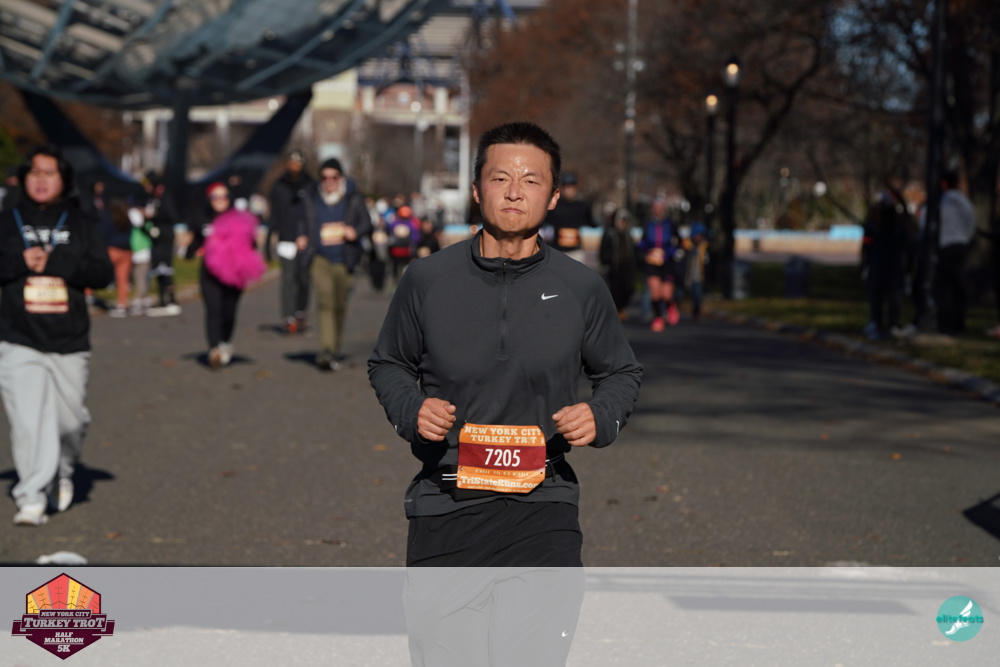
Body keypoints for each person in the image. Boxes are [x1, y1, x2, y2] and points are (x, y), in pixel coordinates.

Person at [369, 122, 641, 666]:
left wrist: (601, 415)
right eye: (500, 178)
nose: (515, 192)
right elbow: (389, 363)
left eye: (531, 180)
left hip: (544, 505)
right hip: (446, 503)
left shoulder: (581, 288)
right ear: (477, 189)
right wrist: (411, 409)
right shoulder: (426, 279)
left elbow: (621, 373)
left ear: (554, 196)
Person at [0, 145, 113, 526]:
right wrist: (19, 262)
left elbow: (102, 273)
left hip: (69, 338)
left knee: (70, 423)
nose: (41, 180)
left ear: (63, 179)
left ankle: (62, 470)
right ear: (23, 177)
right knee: (28, 421)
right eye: (35, 172)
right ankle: (31, 496)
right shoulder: (7, 220)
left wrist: (56, 262)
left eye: (49, 173)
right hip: (18, 336)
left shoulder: (82, 222)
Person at [297, 158, 370, 371]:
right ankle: (327, 349)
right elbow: (302, 221)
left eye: (333, 177)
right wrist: (301, 236)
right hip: (319, 257)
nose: (329, 181)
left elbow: (366, 223)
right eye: (324, 177)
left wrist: (354, 231)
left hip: (345, 259)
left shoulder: (353, 198)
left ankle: (334, 348)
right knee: (325, 300)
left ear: (341, 178)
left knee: (339, 305)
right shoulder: (311, 197)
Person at [195, 182, 267, 369]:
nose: (220, 200)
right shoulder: (202, 218)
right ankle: (214, 350)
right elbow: (193, 242)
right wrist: (196, 249)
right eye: (215, 196)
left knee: (229, 311)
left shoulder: (240, 218)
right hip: (209, 273)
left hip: (234, 273)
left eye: (224, 196)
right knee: (213, 310)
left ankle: (225, 341)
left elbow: (251, 244)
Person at [270, 149, 314, 333]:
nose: (295, 166)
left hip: (306, 240)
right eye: (292, 162)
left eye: (298, 163)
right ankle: (288, 317)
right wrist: (271, 238)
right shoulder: (279, 186)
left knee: (303, 279)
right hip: (286, 239)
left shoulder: (311, 186)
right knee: (288, 279)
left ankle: (300, 311)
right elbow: (274, 215)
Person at [860, 190, 910, 340]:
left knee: (890, 296)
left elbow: (906, 244)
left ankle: (889, 324)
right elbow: (867, 244)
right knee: (881, 295)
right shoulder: (876, 222)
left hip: (889, 264)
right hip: (883, 263)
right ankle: (879, 323)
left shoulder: (893, 222)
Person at [934, 170, 976, 336]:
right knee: (958, 287)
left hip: (945, 246)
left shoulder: (941, 202)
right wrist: (965, 239)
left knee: (944, 287)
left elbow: (928, 224)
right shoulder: (965, 202)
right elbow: (971, 223)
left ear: (943, 184)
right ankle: (958, 325)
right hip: (961, 245)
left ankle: (945, 324)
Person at [637, 198, 681, 330]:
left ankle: (671, 306)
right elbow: (643, 242)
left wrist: (669, 253)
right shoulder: (648, 224)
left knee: (666, 294)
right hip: (652, 262)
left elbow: (678, 242)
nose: (658, 210)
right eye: (655, 207)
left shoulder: (670, 224)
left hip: (667, 262)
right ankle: (658, 317)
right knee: (655, 292)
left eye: (660, 207)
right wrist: (644, 252)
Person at [142, 173, 182, 317]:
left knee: (166, 269)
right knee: (158, 270)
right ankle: (162, 300)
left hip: (165, 238)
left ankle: (171, 299)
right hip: (156, 239)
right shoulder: (153, 197)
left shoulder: (165, 196)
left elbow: (172, 215)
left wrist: (155, 215)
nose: (146, 188)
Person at [599, 207, 638, 320]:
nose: (623, 223)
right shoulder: (610, 233)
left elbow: (633, 251)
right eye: (621, 220)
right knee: (615, 290)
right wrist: (605, 264)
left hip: (627, 267)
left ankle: (622, 308)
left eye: (625, 221)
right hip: (614, 268)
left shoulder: (629, 235)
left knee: (628, 289)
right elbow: (603, 250)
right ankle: (617, 310)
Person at [544, 171, 592, 262]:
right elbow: (545, 224)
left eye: (571, 186)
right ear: (561, 188)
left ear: (575, 188)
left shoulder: (582, 207)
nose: (568, 190)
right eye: (566, 186)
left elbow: (590, 223)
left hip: (576, 251)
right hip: (557, 251)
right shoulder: (554, 206)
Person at [100, 195, 134, 318]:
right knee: (123, 280)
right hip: (127, 251)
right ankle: (122, 305)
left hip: (112, 250)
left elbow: (103, 233)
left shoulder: (109, 218)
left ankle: (88, 295)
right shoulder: (127, 218)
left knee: (96, 271)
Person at [685, 221, 710, 322]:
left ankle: (696, 313)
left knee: (697, 296)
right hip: (688, 275)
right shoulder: (688, 247)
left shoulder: (705, 247)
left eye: (700, 235)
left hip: (698, 276)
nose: (698, 237)